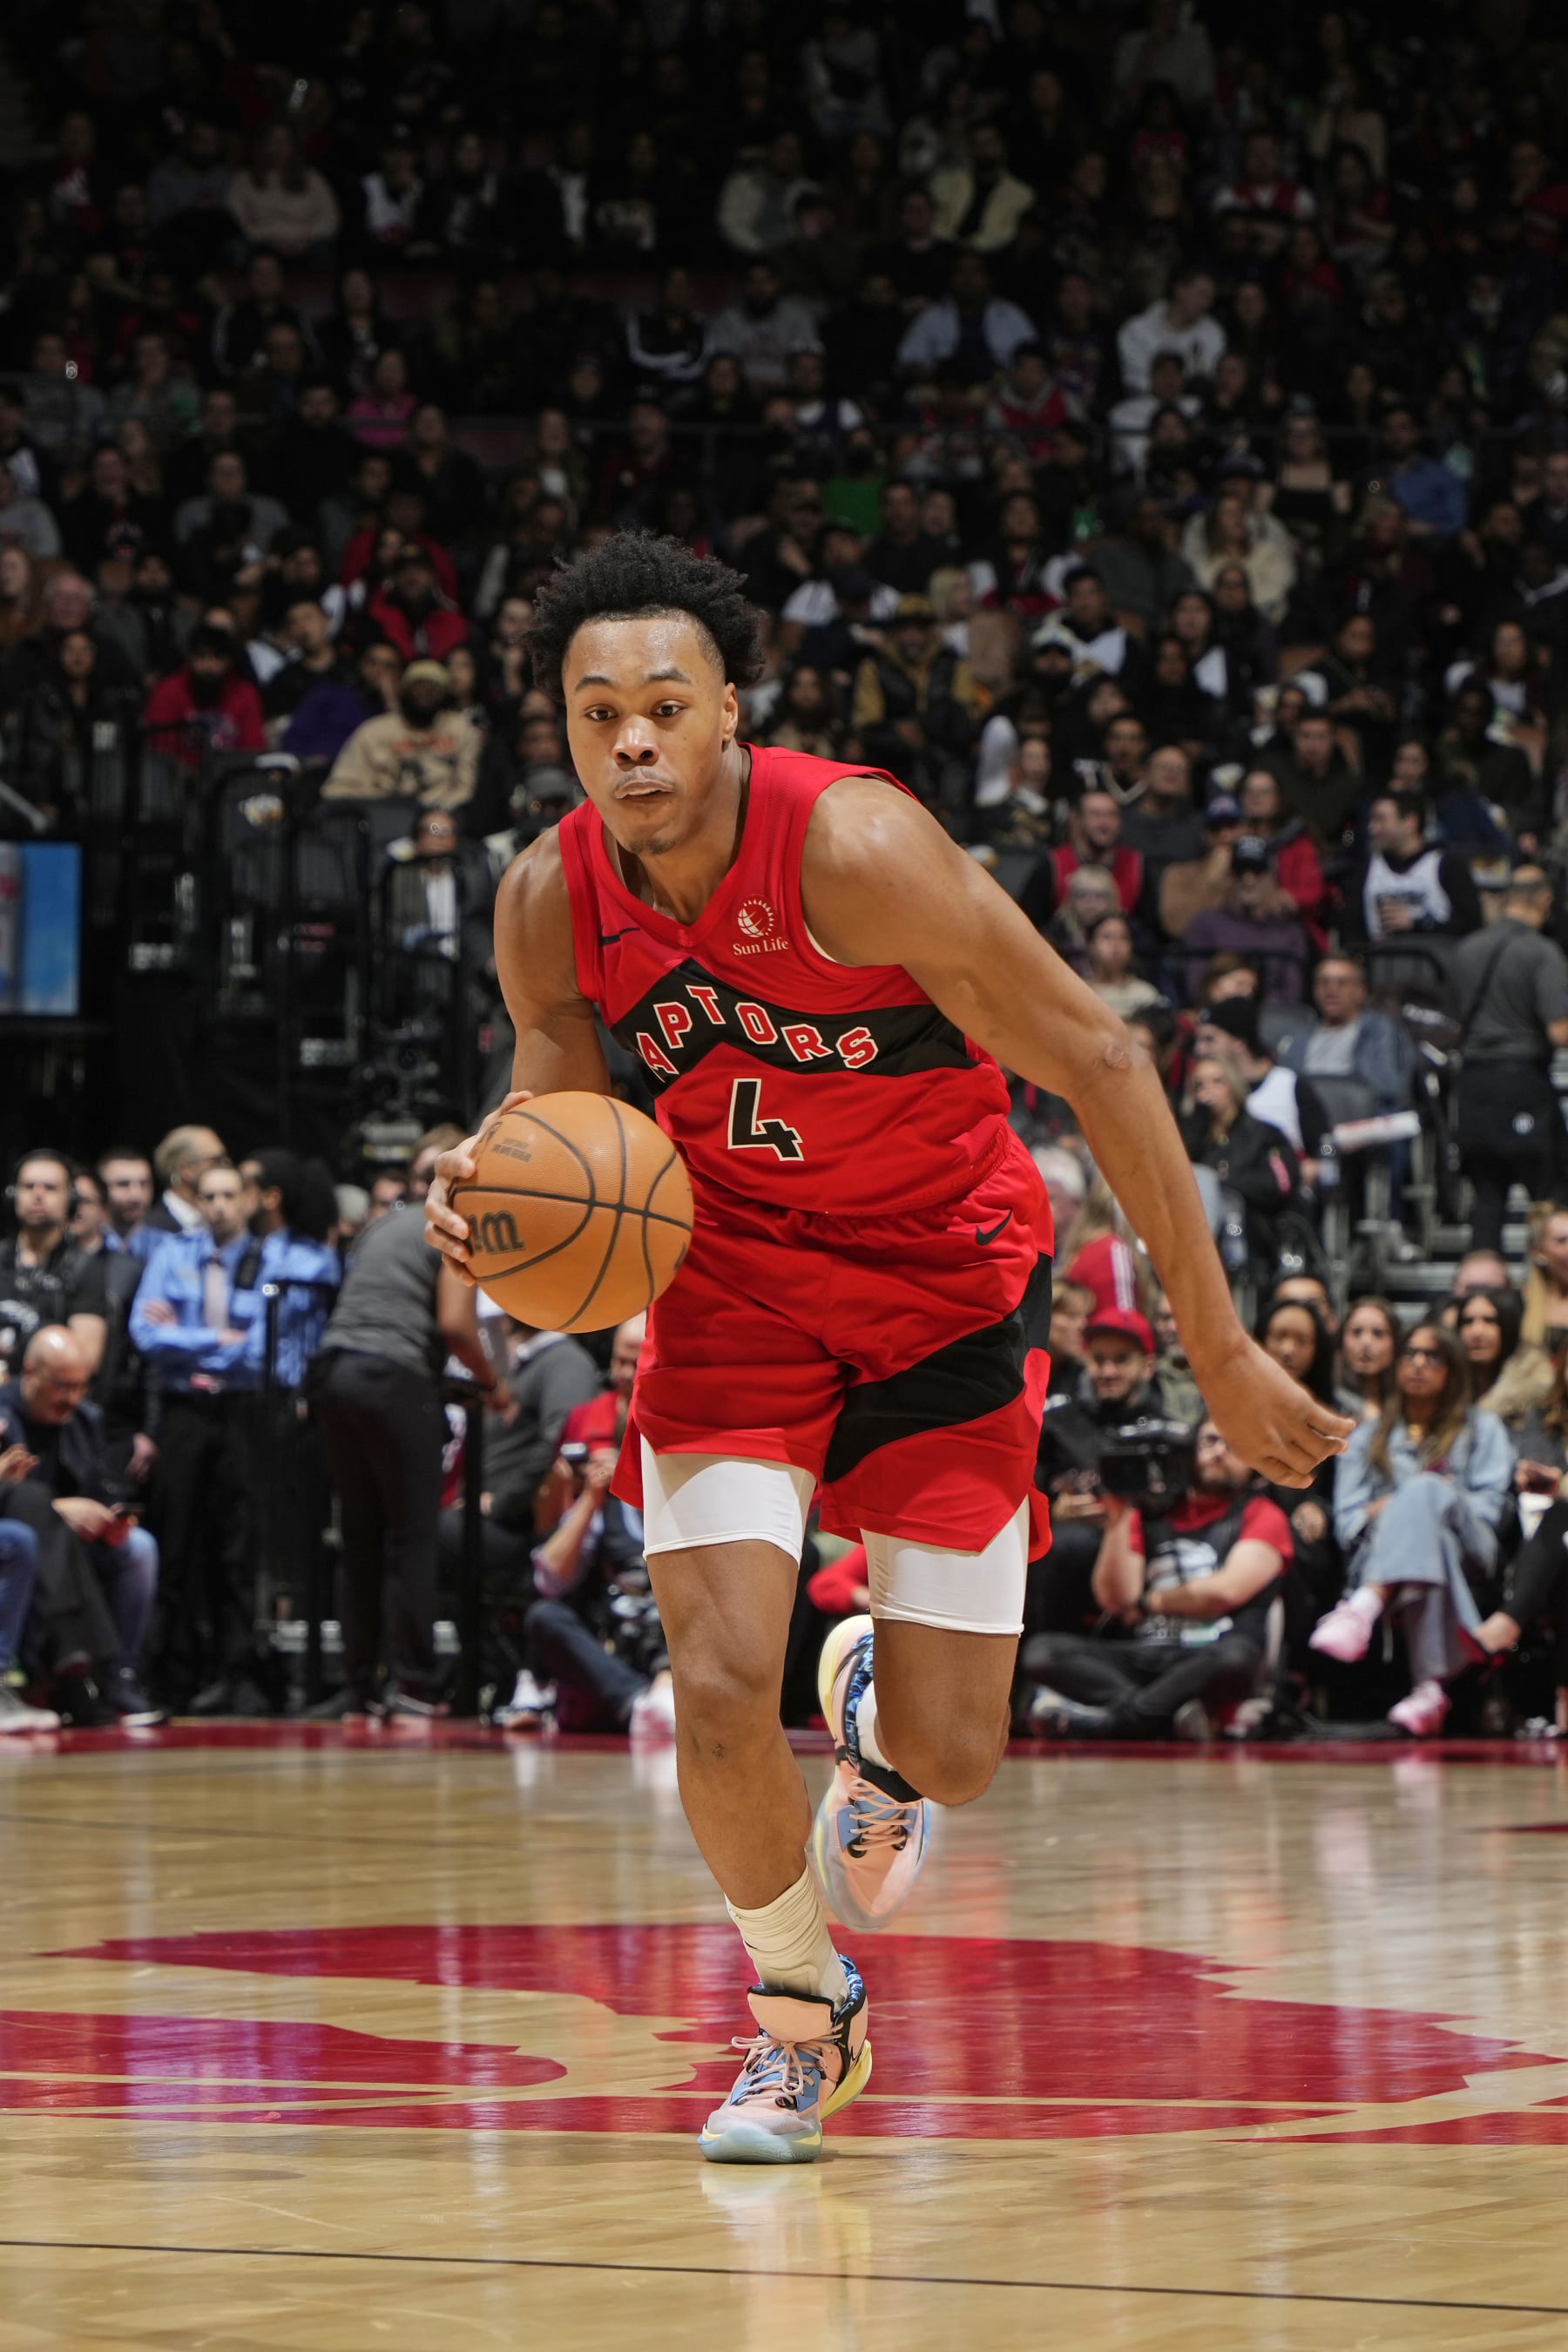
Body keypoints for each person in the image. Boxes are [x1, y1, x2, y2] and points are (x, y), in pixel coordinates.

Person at [424, 533, 1346, 2166]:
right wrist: (493, 1191)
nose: (630, 742)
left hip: (945, 1278)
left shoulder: (853, 848)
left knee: (957, 1756)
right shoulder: (549, 901)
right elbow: (566, 1129)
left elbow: (1107, 1061)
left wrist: (1216, 1348)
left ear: (726, 715)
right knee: (710, 1686)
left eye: (661, 706)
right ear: (561, 730)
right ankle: (799, 2013)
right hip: (736, 1284)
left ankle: (878, 1724)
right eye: (594, 715)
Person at [309, 1187, 513, 1717]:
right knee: (413, 1537)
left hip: (333, 1372)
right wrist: (494, 1383)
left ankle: (358, 1687)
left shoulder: (387, 1222)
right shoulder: (458, 1224)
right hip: (391, 1377)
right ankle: (416, 1686)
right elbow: (455, 1327)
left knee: (359, 1536)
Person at [1024, 1419, 1292, 1741]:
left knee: (1236, 1658)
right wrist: (1119, 1516)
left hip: (1212, 1654)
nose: (1220, 1452)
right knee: (1042, 1652)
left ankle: (1115, 1722)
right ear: (1190, 1450)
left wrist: (1148, 1602)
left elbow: (1224, 1591)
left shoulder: (1263, 1514)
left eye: (1234, 1445)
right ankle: (1163, 1716)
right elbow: (1116, 1600)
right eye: (1210, 1441)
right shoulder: (1152, 1514)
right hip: (1147, 1652)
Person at [1311, 1321, 1513, 1735]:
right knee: (1429, 1535)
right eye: (1409, 1355)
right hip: (1386, 1551)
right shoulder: (1366, 1437)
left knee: (1424, 1491)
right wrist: (1407, 1517)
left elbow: (1489, 1510)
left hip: (1470, 1546)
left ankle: (1364, 1606)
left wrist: (1413, 1503)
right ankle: (1430, 1689)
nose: (1418, 1364)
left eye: (1432, 1356)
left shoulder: (1484, 1428)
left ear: (1452, 1368)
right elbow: (1348, 1521)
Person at [0, 1326, 164, 1725]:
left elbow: (100, 1485)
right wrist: (59, 1510)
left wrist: (110, 1518)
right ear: (30, 1373)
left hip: (70, 1540)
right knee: (31, 1511)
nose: (71, 1397)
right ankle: (83, 1671)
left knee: (138, 1547)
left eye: (80, 1386)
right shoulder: (3, 1415)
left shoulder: (85, 1418)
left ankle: (116, 1674)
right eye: (61, 1386)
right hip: (27, 1524)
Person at [1452, 869, 1568, 1251]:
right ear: (1545, 902)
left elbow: (1451, 1024)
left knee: (1487, 1197)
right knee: (1552, 1198)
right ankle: (1550, 1295)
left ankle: (1482, 1289)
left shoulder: (1466, 948)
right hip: (1521, 1081)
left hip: (1471, 1085)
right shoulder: (1541, 952)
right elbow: (1559, 1032)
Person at [0, 1152, 109, 1384]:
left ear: (70, 1200)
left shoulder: (85, 1267)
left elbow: (85, 1360)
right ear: (13, 1196)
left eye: (50, 1188)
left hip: (46, 1397)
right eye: (29, 1187)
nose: (38, 1195)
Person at [1339, 1298, 1402, 1419]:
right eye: (1356, 1332)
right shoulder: (1326, 1398)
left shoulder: (1408, 1403)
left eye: (1378, 1333)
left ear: (1395, 1342)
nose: (1366, 1343)